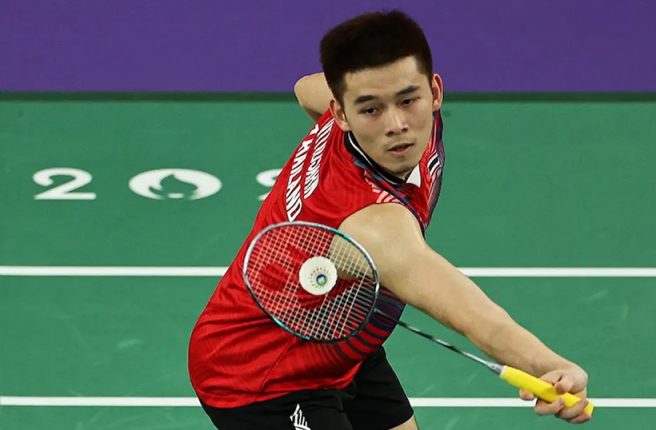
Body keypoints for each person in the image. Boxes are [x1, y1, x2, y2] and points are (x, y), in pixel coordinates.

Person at [188, 10, 591, 429]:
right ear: (341, 114)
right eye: (371, 109)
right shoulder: (375, 227)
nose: (396, 125)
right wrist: (551, 366)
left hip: (341, 336)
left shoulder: (377, 123)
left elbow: (306, 89)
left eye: (407, 100)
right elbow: (474, 316)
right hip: (258, 375)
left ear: (435, 92)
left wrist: (364, 101)